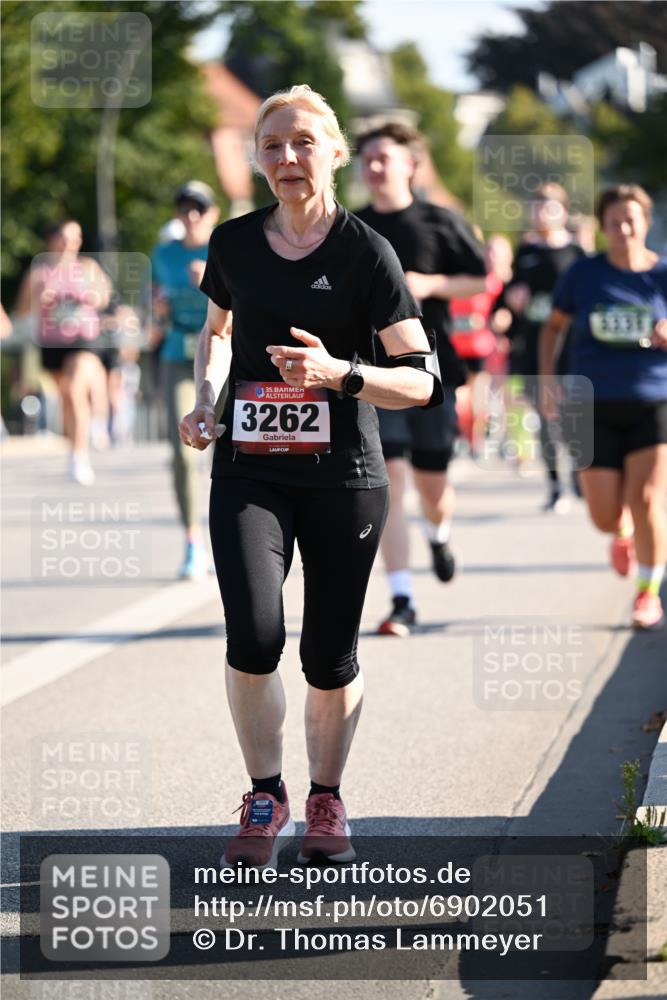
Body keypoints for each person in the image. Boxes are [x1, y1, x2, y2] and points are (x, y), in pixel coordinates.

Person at [179, 85, 442, 867]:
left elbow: (421, 380)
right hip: (249, 470)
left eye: (302, 143)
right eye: (272, 145)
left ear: (332, 153)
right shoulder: (232, 243)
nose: (287, 157)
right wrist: (205, 401)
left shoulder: (366, 252)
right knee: (254, 635)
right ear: (257, 158)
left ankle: (326, 799)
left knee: (327, 654)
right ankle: (265, 795)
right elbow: (217, 331)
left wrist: (339, 374)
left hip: (344, 477)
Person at [355, 123, 486, 636]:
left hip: (434, 371)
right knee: (388, 485)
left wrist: (430, 284)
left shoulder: (439, 220)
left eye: (384, 157)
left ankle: (439, 532)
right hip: (374, 374)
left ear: (410, 164)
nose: (374, 166)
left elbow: (478, 279)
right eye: (367, 158)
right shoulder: (352, 226)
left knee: (433, 488)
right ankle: (402, 598)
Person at [540, 184, 667, 630]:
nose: (623, 229)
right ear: (603, 226)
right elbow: (553, 327)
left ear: (646, 222)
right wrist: (548, 380)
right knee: (603, 515)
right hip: (591, 402)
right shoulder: (583, 274)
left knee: (648, 499)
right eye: (614, 222)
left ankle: (647, 594)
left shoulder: (662, 275)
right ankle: (622, 532)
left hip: (654, 399)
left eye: (631, 220)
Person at [151, 181, 220, 578]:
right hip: (178, 355)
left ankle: (232, 536)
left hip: (224, 357)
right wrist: (157, 307)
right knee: (183, 449)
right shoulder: (163, 254)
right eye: (184, 208)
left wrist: (210, 281)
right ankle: (193, 541)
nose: (191, 216)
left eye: (199, 208)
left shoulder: (226, 248)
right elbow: (152, 304)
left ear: (213, 214)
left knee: (229, 451)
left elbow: (248, 305)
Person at [503, 183, 586, 509]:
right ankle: (555, 484)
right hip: (534, 347)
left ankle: (579, 470)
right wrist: (513, 298)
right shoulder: (526, 251)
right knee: (544, 415)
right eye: (536, 205)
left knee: (568, 416)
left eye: (549, 205)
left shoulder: (576, 253)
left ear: (563, 211)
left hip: (570, 347)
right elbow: (510, 292)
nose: (541, 212)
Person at [13, 219, 112, 484]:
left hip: (84, 339)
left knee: (74, 388)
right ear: (52, 240)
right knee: (67, 397)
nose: (71, 244)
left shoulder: (88, 267)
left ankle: (80, 456)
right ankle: (75, 448)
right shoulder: (38, 272)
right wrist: (39, 297)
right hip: (52, 343)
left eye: (76, 238)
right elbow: (21, 310)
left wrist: (89, 295)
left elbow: (105, 296)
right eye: (66, 238)